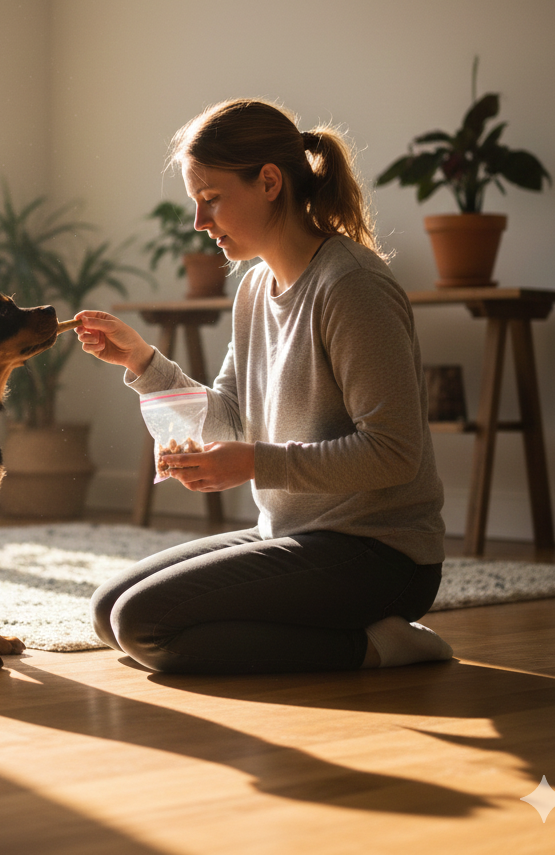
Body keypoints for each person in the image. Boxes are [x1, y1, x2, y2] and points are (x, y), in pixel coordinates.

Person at [75, 98, 452, 674]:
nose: (200, 223)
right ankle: (353, 633)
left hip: (381, 556)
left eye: (211, 199)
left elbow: (395, 453)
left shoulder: (351, 287)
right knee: (108, 613)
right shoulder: (255, 289)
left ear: (270, 182)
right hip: (296, 533)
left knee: (144, 624)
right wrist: (144, 361)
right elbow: (231, 416)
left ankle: (379, 645)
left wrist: (255, 463)